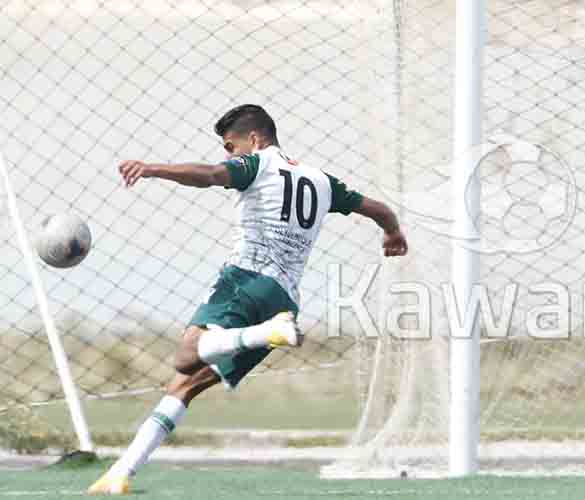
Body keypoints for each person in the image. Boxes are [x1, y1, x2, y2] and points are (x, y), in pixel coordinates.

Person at [88, 104, 408, 495]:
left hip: (245, 280)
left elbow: (210, 176)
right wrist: (393, 234)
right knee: (185, 384)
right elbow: (378, 209)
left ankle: (265, 333)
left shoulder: (257, 164)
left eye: (230, 145)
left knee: (186, 356)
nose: (228, 155)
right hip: (283, 299)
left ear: (254, 139)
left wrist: (152, 169)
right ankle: (121, 473)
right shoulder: (322, 180)